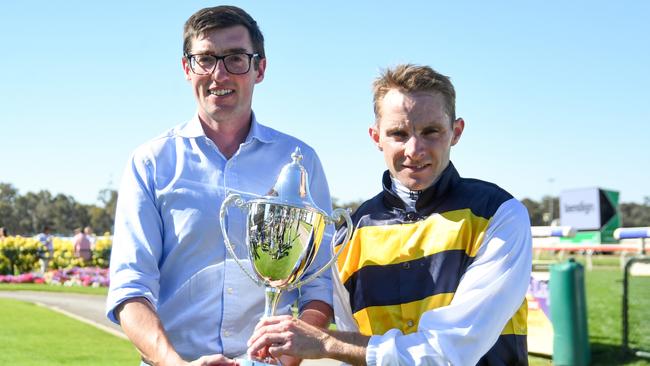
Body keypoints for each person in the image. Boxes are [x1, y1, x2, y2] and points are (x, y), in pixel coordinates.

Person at [247, 64, 533, 365]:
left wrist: (326, 342)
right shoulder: (350, 234)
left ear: (456, 132)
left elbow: (449, 352)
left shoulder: (499, 213)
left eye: (430, 131)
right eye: (399, 133)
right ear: (376, 137)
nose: (414, 149)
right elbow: (354, 348)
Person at [106, 5, 334, 366]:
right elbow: (130, 288)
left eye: (235, 59)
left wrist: (285, 359)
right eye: (205, 59)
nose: (219, 74)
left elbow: (319, 285)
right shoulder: (151, 162)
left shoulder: (301, 160)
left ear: (260, 68)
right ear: (186, 68)